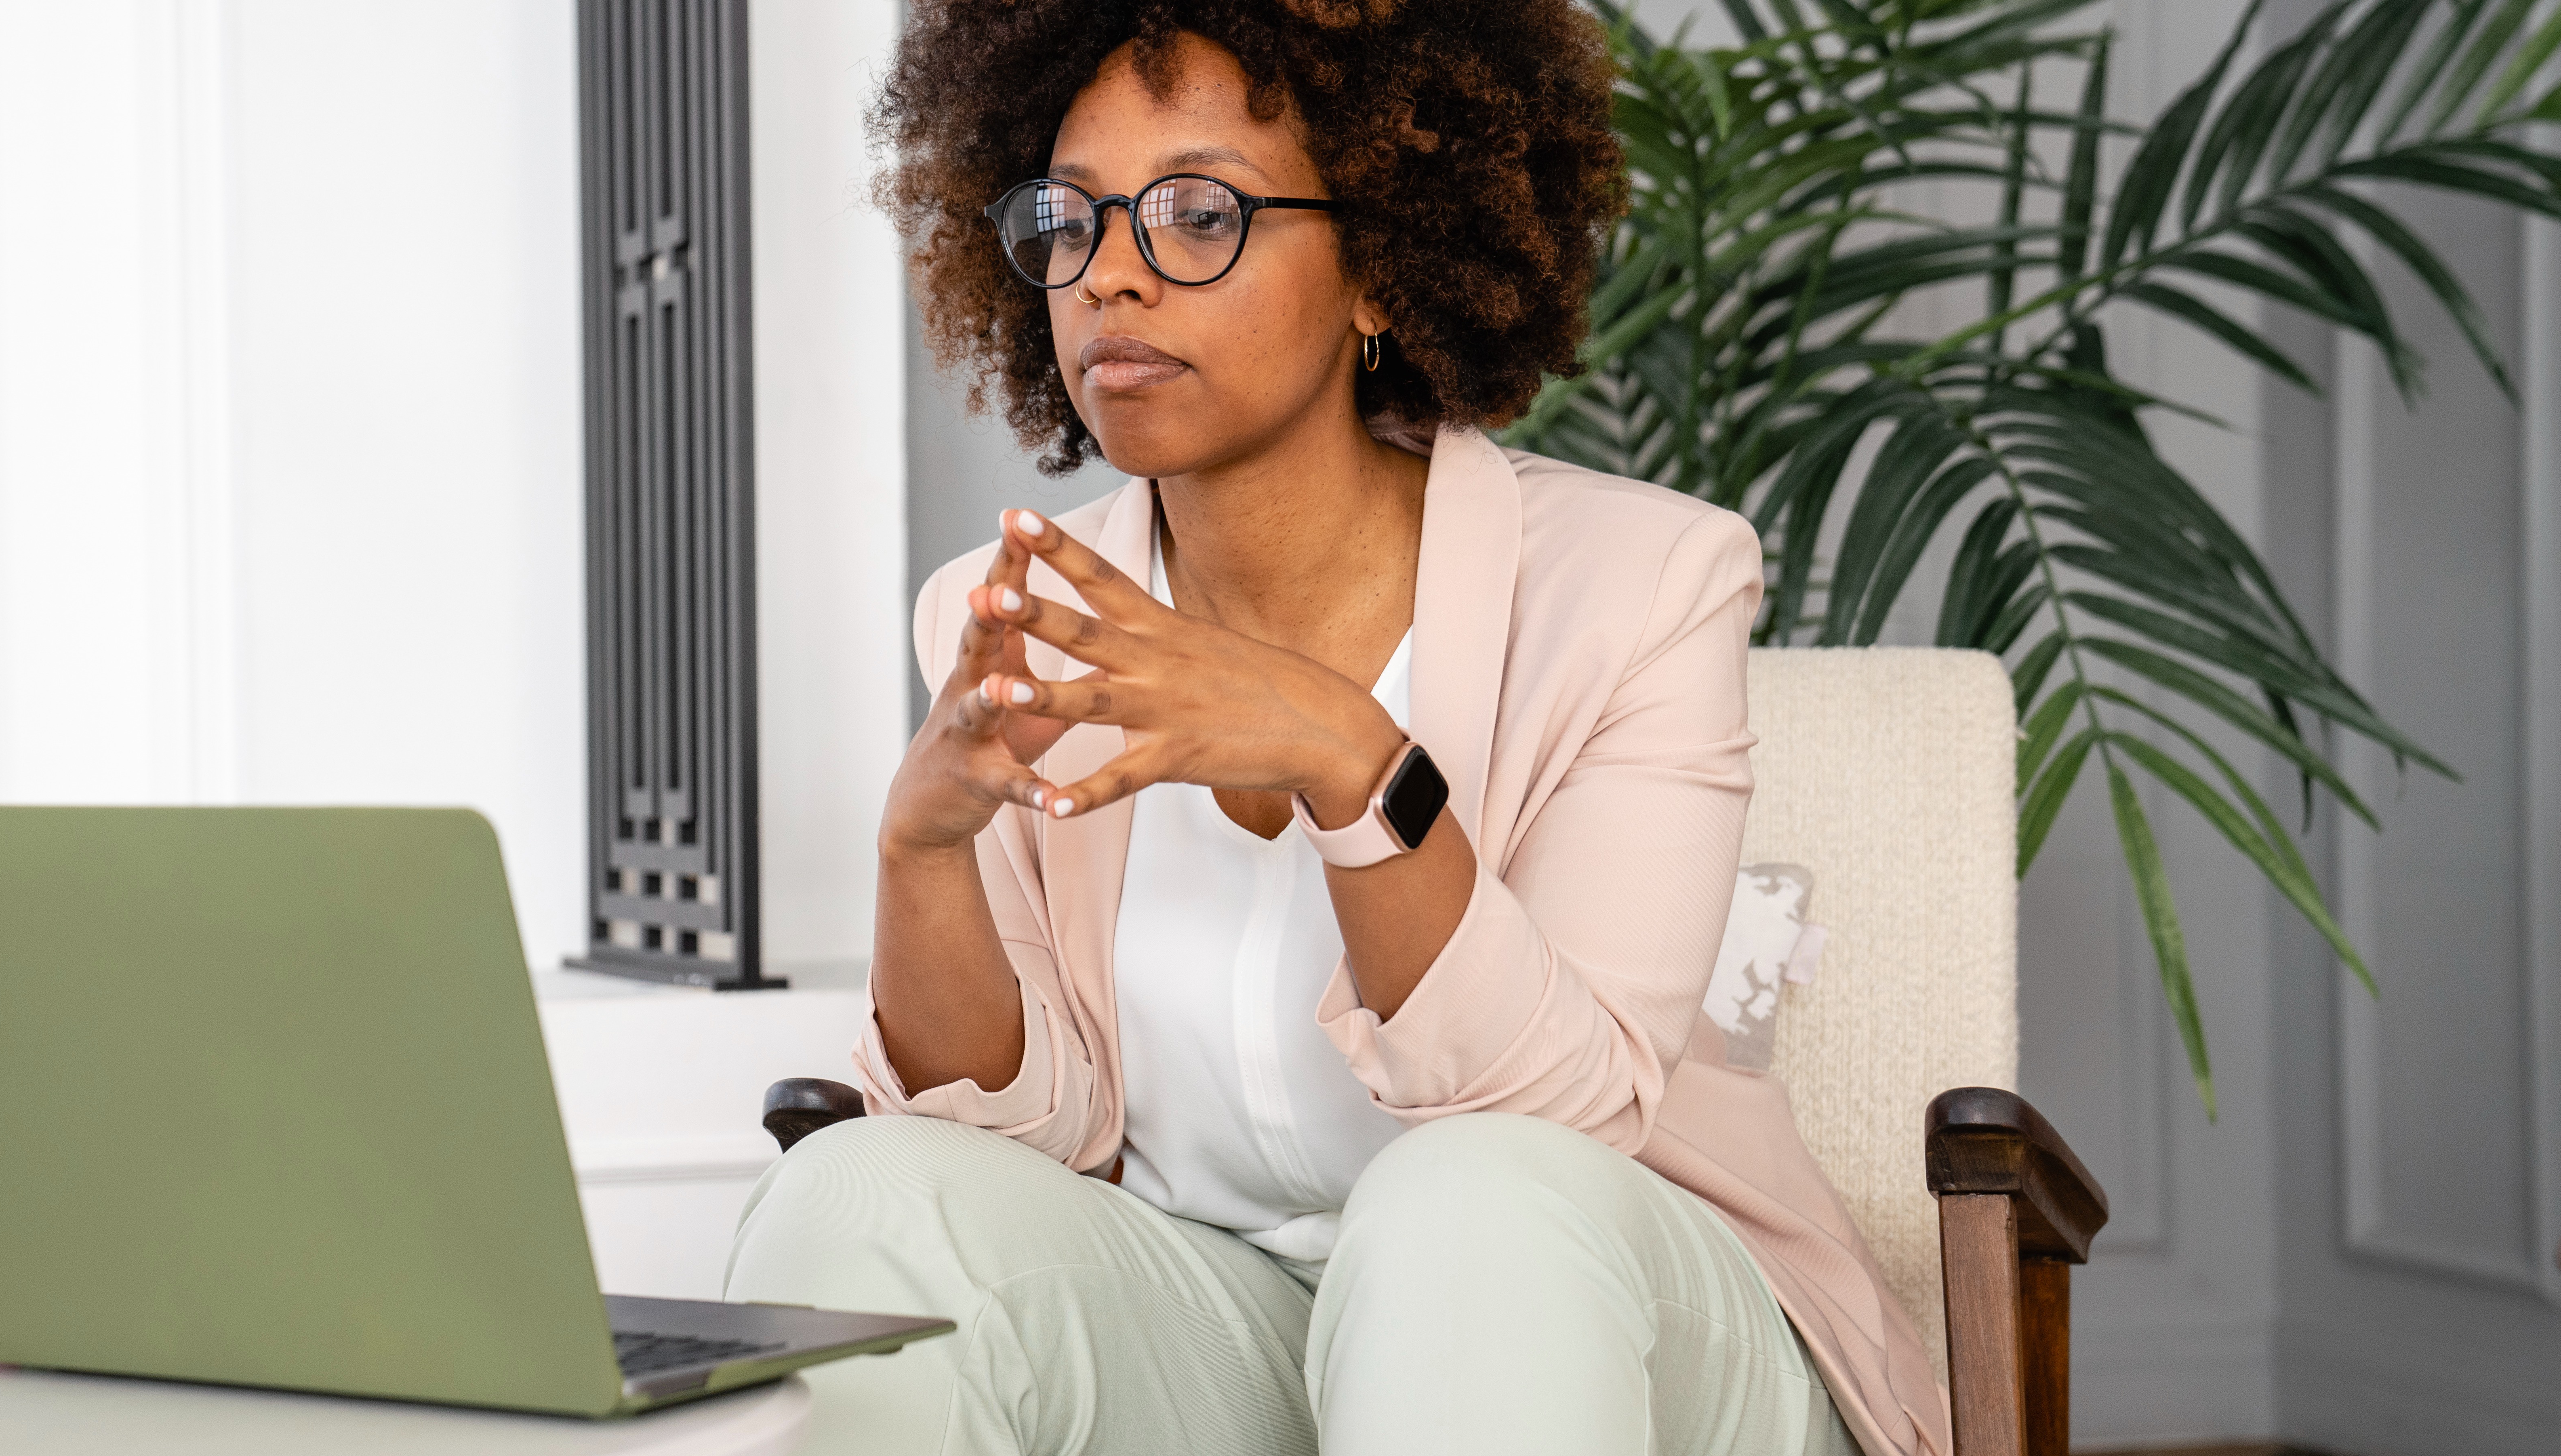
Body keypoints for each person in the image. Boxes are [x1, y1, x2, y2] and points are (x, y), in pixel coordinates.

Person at [724, 5, 1943, 1453]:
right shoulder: (1005, 618)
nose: (1110, 272)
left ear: (1379, 261)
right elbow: (1019, 1148)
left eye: (1195, 212)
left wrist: (1351, 763)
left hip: (1610, 1307)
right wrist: (920, 852)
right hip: (1223, 1323)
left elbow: (1565, 1109)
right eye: (1072, 218)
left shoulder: (1643, 585)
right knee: (853, 1195)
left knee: (1464, 1204)